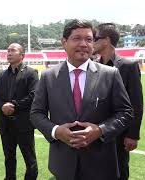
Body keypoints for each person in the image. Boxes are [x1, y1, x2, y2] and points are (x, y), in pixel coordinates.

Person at [30, 19, 133, 180]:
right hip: (63, 164)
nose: (84, 44)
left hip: (101, 165)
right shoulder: (48, 76)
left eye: (89, 39)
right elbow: (36, 114)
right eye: (77, 38)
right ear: (64, 42)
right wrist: (56, 131)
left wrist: (100, 130)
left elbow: (125, 112)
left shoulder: (110, 74)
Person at [93, 23, 143, 180]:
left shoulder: (128, 66)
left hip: (119, 133)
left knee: (119, 171)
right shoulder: (93, 65)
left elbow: (136, 103)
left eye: (95, 38)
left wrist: (133, 135)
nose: (91, 42)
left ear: (106, 40)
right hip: (95, 131)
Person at [0, 43, 38, 180]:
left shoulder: (31, 73)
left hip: (24, 125)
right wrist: (2, 107)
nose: (9, 53)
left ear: (22, 55)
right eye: (8, 50)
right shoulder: (1, 75)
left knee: (30, 160)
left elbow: (33, 95)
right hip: (6, 125)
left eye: (13, 50)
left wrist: (13, 106)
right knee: (9, 158)